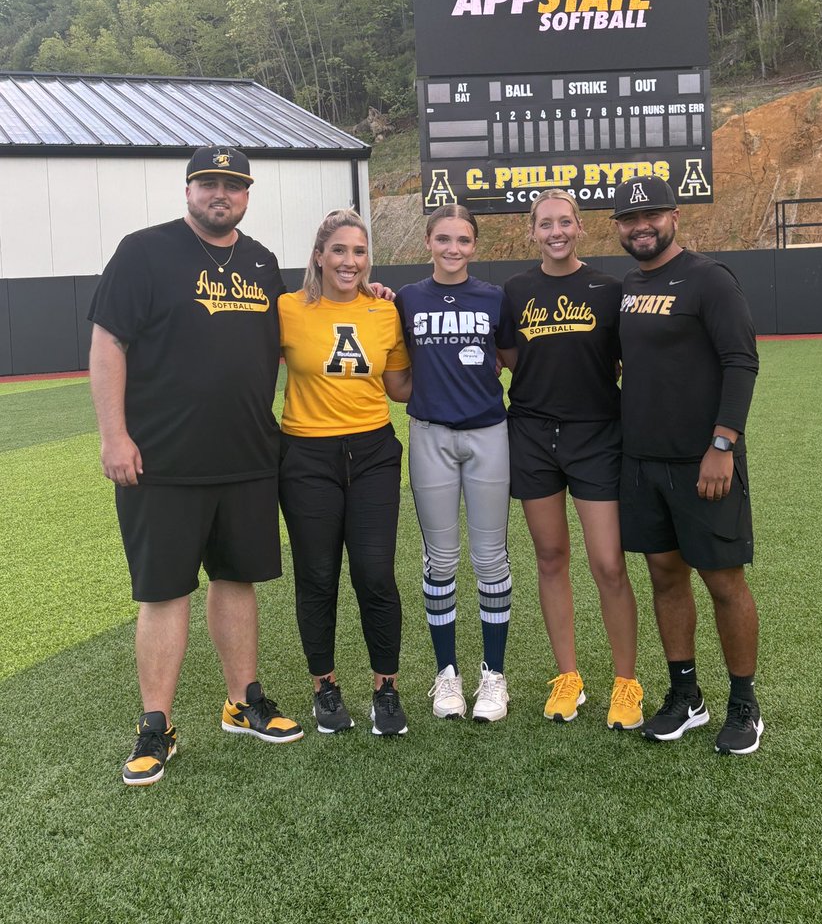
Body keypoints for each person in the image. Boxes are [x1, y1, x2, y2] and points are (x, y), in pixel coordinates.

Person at [88, 145, 303, 787]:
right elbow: (107, 344)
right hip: (161, 459)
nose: (221, 194)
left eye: (232, 186)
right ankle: (155, 724)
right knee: (163, 590)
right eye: (209, 183)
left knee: (237, 579)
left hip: (244, 456)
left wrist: (368, 291)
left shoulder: (262, 262)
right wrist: (114, 435)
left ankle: (244, 701)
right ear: (188, 190)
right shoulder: (144, 251)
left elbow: (302, 330)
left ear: (247, 193)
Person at [611, 174, 763, 756]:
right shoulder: (628, 285)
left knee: (723, 581)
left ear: (674, 215)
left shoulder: (709, 279)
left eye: (650, 214)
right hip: (642, 461)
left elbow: (740, 362)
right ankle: (686, 697)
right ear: (618, 228)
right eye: (628, 218)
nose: (640, 225)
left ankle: (743, 703)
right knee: (665, 577)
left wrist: (723, 444)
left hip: (704, 462)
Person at [501, 189, 643, 727]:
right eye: (546, 224)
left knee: (608, 562)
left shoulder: (609, 289)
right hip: (534, 435)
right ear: (532, 231)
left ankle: (626, 682)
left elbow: (627, 359)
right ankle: (569, 677)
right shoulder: (516, 290)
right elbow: (511, 356)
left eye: (565, 222)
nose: (556, 231)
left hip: (596, 435)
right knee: (551, 557)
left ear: (580, 227)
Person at [278, 209, 413, 737]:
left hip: (374, 452)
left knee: (375, 574)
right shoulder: (288, 309)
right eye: (339, 250)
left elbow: (400, 387)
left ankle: (386, 687)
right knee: (316, 575)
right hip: (307, 455)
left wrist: (461, 367)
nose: (349, 261)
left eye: (359, 252)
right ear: (318, 255)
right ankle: (325, 686)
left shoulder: (384, 312)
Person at [395, 205, 516, 723]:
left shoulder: (494, 298)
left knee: (490, 558)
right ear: (428, 241)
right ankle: (447, 674)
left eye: (463, 240)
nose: (453, 248)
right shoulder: (407, 298)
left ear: (474, 245)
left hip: (488, 433)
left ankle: (493, 674)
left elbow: (509, 356)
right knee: (440, 559)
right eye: (443, 238)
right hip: (430, 434)